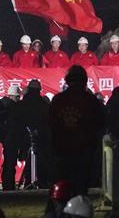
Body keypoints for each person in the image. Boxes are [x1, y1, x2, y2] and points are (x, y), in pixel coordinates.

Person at [48, 66, 105, 195]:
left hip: (62, 151)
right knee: (80, 188)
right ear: (84, 80)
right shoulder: (91, 100)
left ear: (67, 80)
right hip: (84, 151)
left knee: (60, 187)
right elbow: (100, 124)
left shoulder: (58, 100)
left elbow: (50, 124)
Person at [19, 79, 51, 188]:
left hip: (25, 137)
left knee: (30, 160)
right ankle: (41, 181)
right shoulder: (43, 104)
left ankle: (28, 181)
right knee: (40, 160)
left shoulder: (23, 104)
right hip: (40, 137)